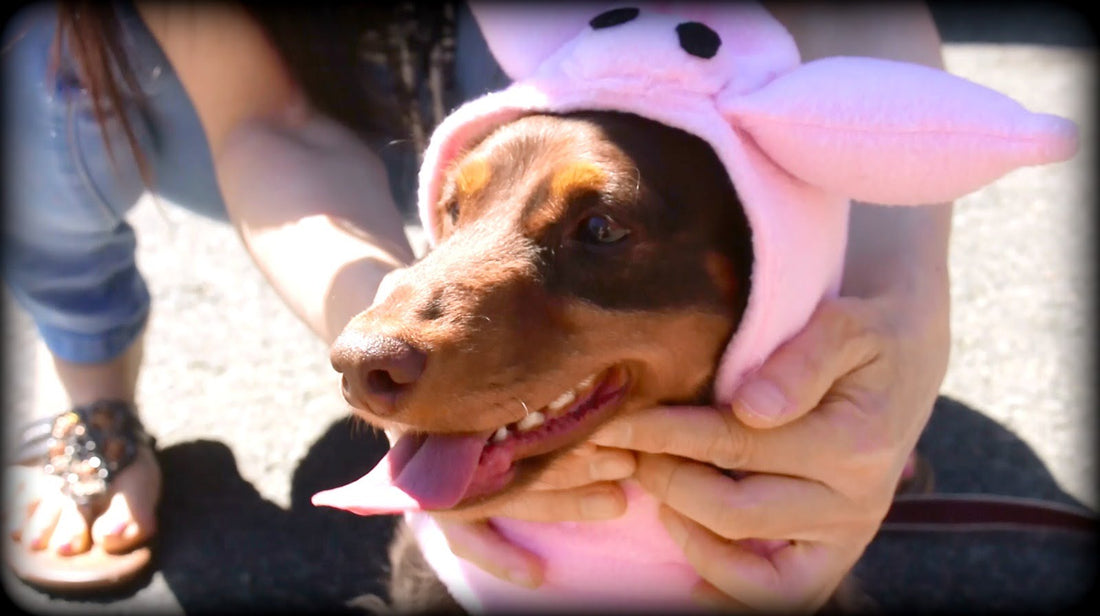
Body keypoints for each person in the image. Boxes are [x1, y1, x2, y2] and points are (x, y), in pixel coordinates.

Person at [3, 1, 950, 609]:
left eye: (602, 233)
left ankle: (805, 371)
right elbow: (264, 124)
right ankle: (93, 388)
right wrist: (397, 326)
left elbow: (853, 27)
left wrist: (899, 321)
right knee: (47, 55)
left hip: (597, 49)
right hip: (315, 98)